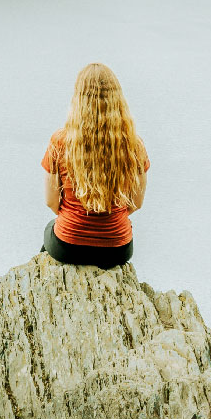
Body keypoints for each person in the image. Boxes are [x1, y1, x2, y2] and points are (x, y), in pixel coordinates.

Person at [41, 62, 149, 268]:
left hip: (69, 244)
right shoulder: (134, 145)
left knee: (50, 230)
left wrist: (77, 222)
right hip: (117, 249)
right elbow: (136, 202)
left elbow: (51, 202)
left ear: (79, 98)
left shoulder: (60, 142)